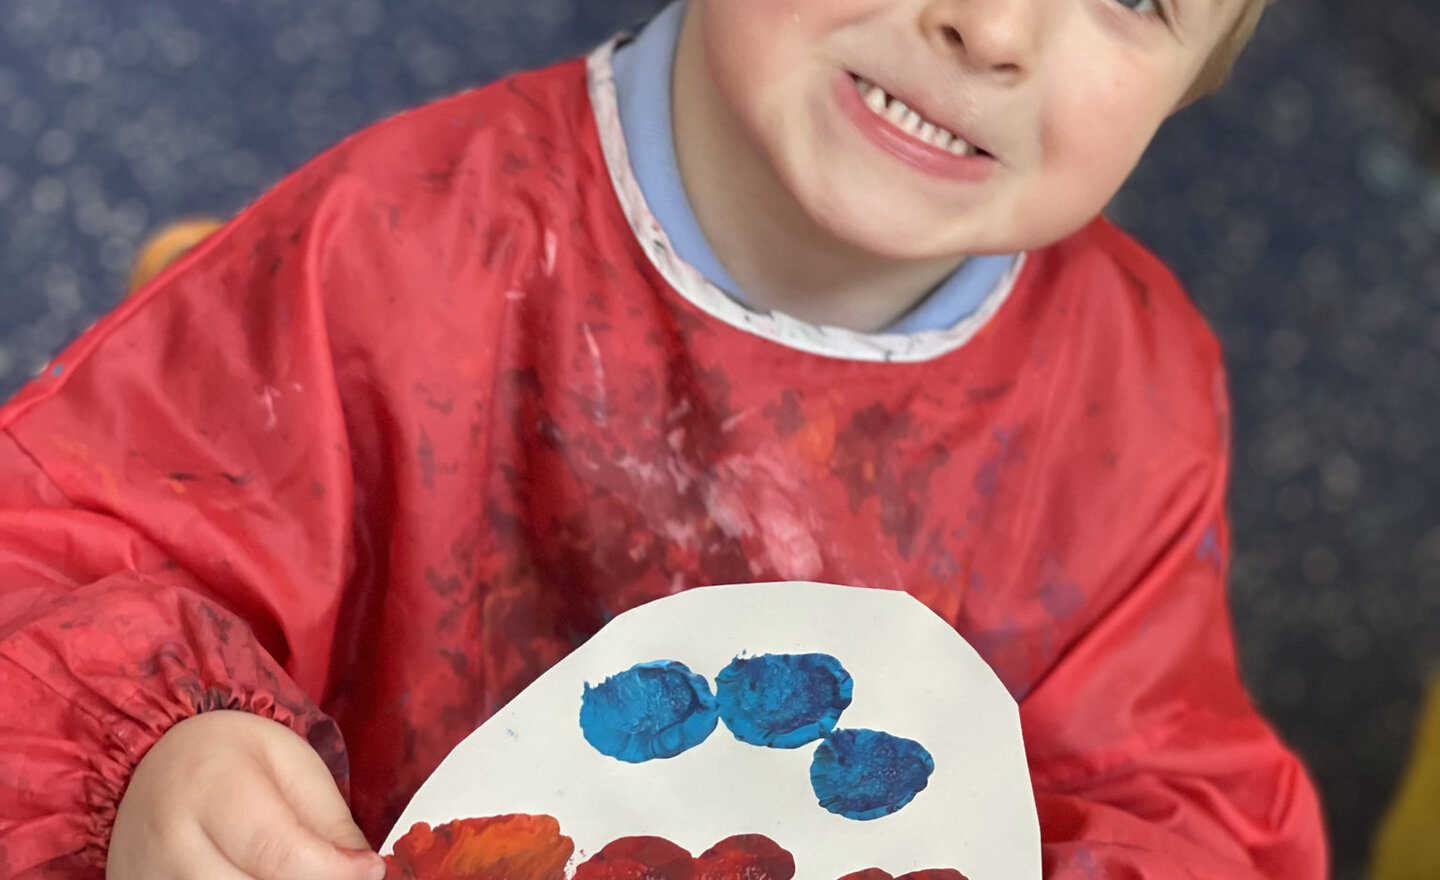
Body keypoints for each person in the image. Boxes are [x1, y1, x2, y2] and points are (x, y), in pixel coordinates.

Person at [0, 0, 1328, 877]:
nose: (991, 26)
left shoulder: (1133, 394)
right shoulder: (389, 255)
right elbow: (43, 553)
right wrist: (155, 760)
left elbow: (1170, 788)